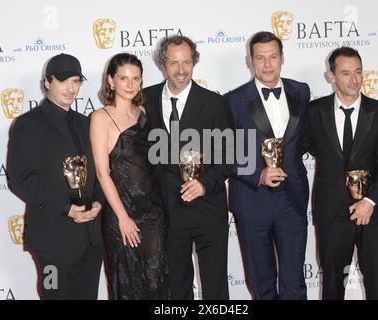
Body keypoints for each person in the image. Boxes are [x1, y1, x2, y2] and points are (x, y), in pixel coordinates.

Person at [302, 47, 378, 299]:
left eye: (358, 72)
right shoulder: (314, 112)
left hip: (372, 212)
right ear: (331, 76)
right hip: (331, 212)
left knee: (377, 284)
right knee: (332, 286)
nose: (354, 79)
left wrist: (369, 200)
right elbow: (307, 146)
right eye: (346, 73)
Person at [8, 53, 104, 300]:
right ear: (48, 82)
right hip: (53, 241)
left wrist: (97, 202)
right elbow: (21, 179)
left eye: (75, 81)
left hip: (91, 240)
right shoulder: (29, 124)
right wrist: (66, 208)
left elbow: (99, 173)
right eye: (63, 81)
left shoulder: (86, 123)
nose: (71, 88)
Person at [144, 35, 233, 300]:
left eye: (186, 62)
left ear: (194, 62)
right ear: (163, 63)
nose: (181, 70)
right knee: (177, 287)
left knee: (215, 286)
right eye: (174, 63)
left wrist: (205, 184)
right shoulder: (144, 99)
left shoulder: (214, 103)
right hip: (167, 212)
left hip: (208, 209)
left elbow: (228, 156)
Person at [226, 31, 310, 300]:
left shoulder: (302, 91)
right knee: (261, 284)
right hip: (252, 200)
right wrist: (257, 174)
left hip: (292, 200)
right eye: (260, 58)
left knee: (294, 281)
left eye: (273, 57)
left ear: (282, 58)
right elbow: (224, 153)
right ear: (250, 61)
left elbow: (310, 137)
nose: (267, 64)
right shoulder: (233, 100)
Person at [90, 53, 170, 300]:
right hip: (122, 213)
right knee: (128, 285)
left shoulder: (143, 112)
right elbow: (103, 174)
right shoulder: (100, 118)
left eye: (136, 78)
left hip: (154, 212)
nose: (131, 84)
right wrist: (123, 217)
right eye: (124, 78)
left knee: (158, 283)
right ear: (111, 81)